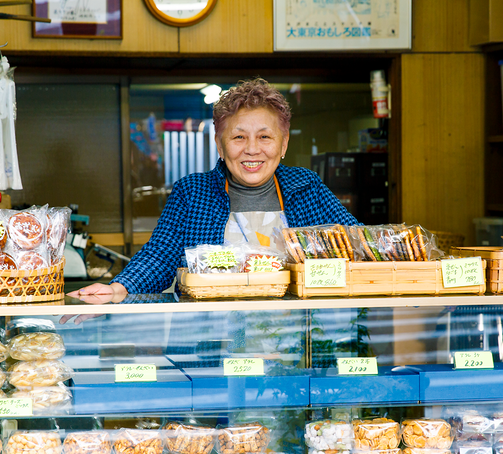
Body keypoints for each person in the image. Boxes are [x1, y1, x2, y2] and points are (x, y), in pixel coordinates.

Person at [71, 78, 357, 302]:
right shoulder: (192, 192)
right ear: (220, 146)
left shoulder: (306, 187)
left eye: (265, 137)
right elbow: (160, 255)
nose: (252, 149)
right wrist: (119, 287)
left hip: (294, 341)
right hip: (210, 343)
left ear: (283, 145)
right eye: (238, 137)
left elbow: (356, 243)